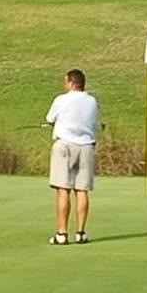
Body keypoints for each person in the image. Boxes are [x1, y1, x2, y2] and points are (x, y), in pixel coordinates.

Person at [46, 68, 99, 244]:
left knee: (63, 190)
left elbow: (50, 118)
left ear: (72, 83)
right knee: (82, 190)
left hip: (65, 147)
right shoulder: (92, 101)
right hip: (86, 147)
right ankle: (81, 232)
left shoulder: (61, 100)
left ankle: (62, 233)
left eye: (66, 81)